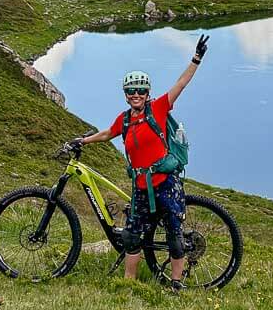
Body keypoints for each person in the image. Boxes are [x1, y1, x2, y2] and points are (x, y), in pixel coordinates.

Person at [69, 33, 209, 290]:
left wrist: (196, 59)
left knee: (175, 236)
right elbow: (107, 134)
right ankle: (129, 282)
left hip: (166, 184)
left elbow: (180, 84)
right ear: (125, 94)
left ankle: (176, 284)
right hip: (142, 189)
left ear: (147, 93)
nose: (136, 94)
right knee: (132, 237)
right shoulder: (124, 120)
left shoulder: (157, 109)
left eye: (140, 90)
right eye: (131, 91)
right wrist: (83, 140)